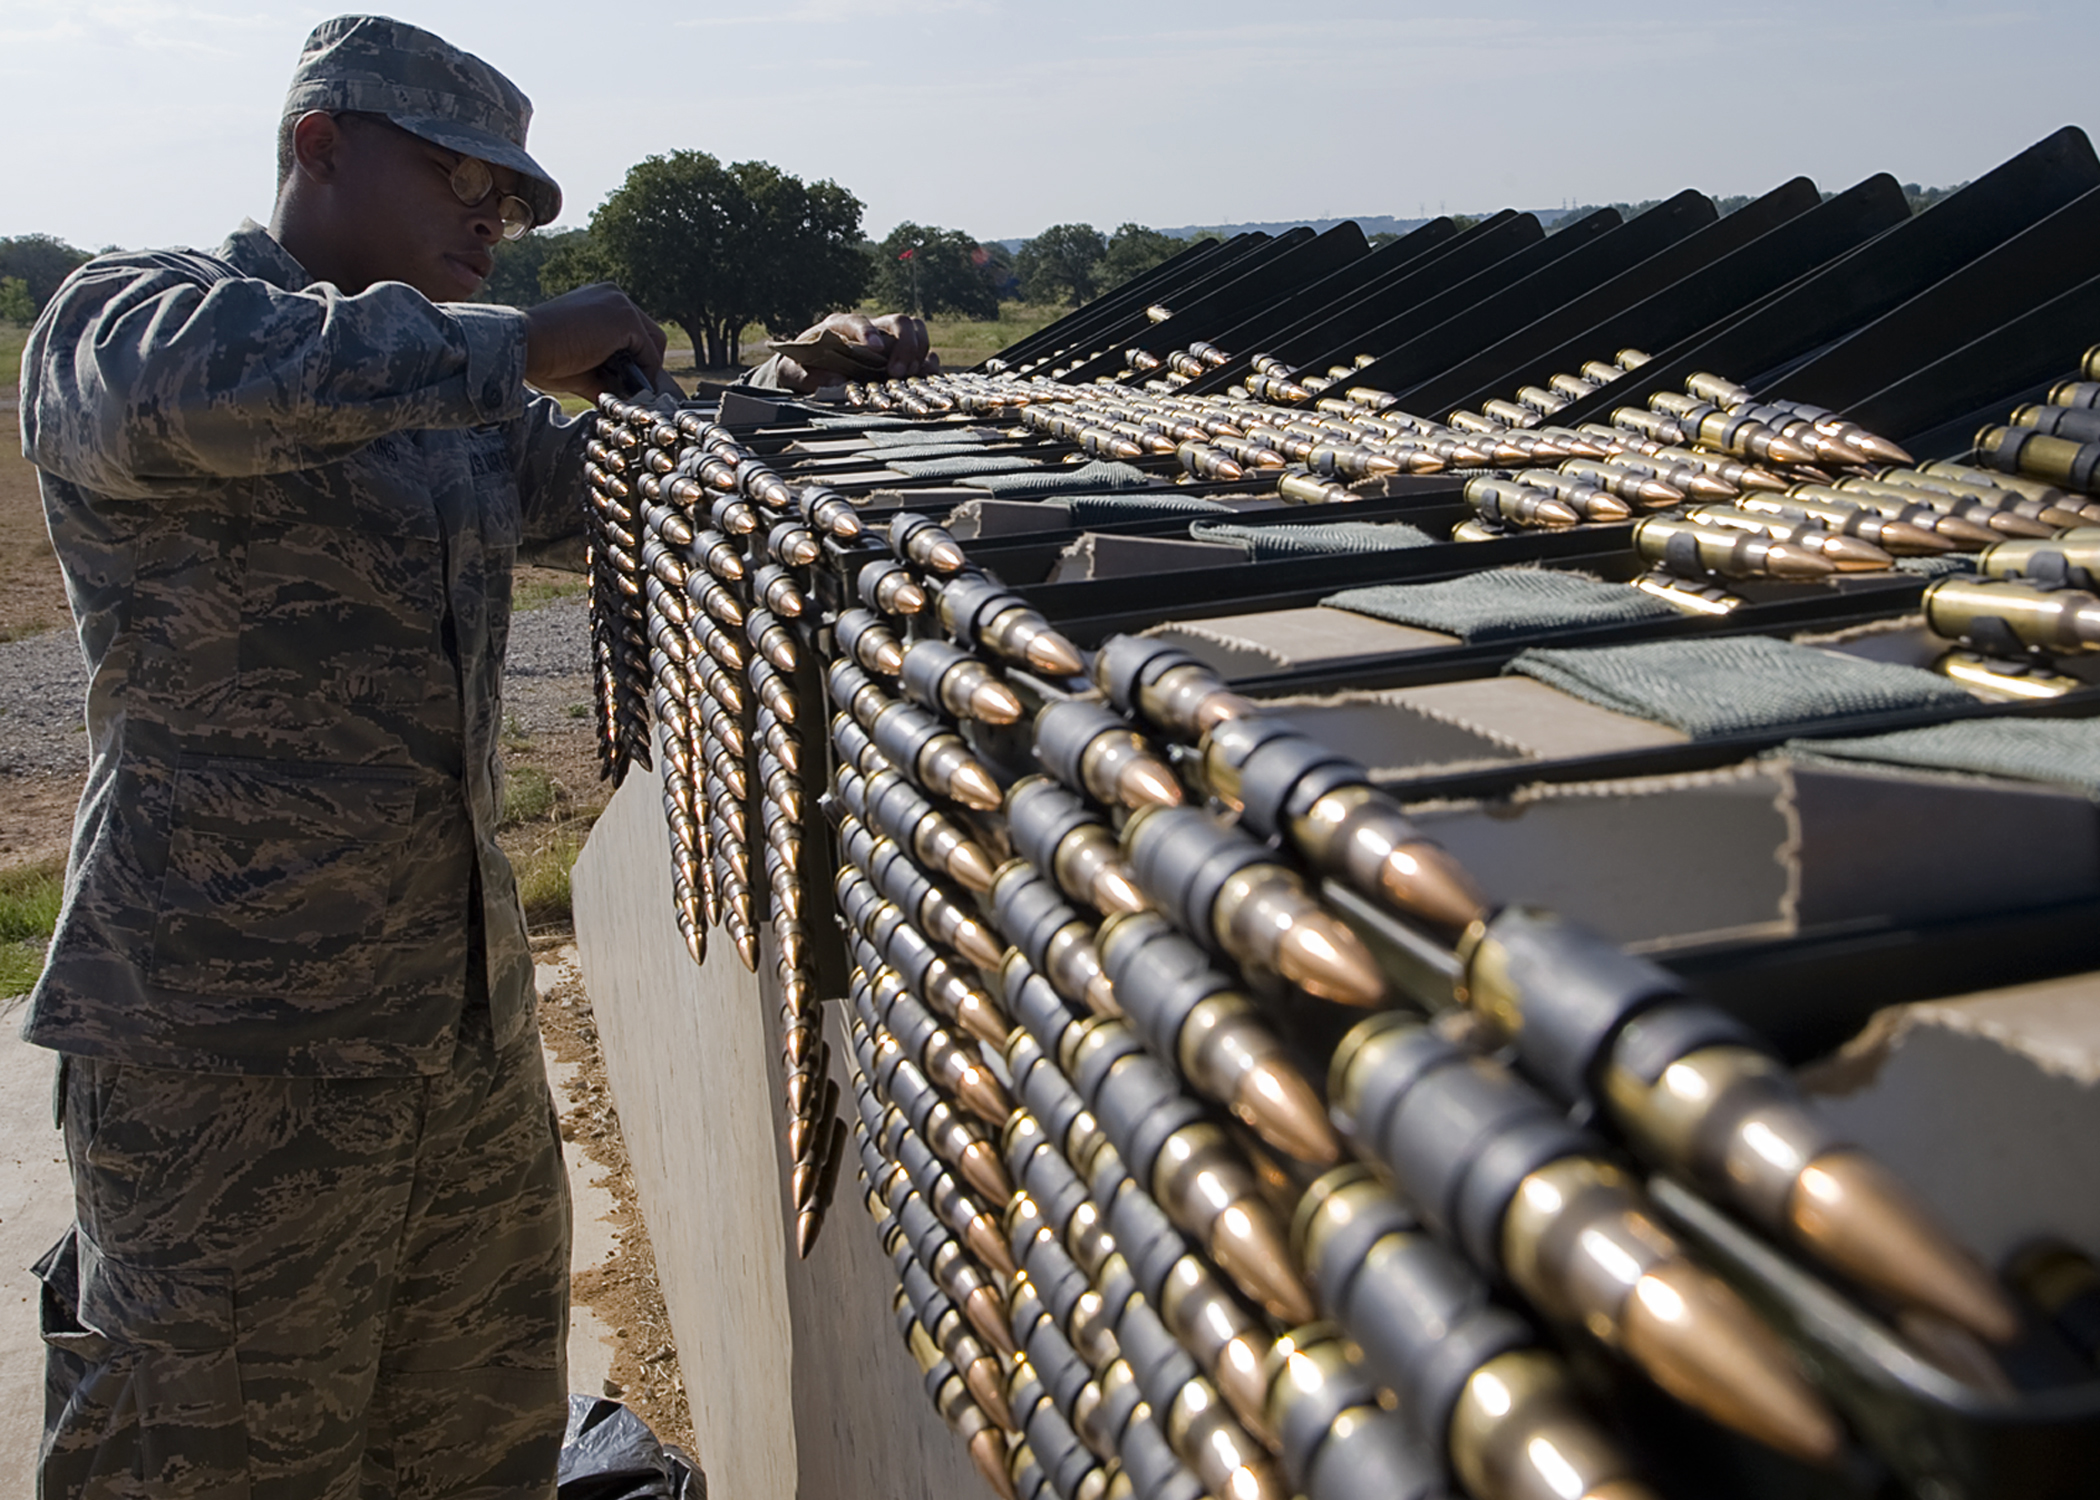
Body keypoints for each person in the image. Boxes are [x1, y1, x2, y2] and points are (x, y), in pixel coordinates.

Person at [15, 15, 925, 1496]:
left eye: (508, 210)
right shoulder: (138, 317)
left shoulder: (443, 407)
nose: (490, 229)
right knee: (211, 1455)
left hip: (459, 1046)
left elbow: (616, 485)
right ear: (318, 147)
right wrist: (517, 346)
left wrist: (788, 387)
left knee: (473, 1446)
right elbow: (180, 391)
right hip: (230, 1068)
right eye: (464, 186)